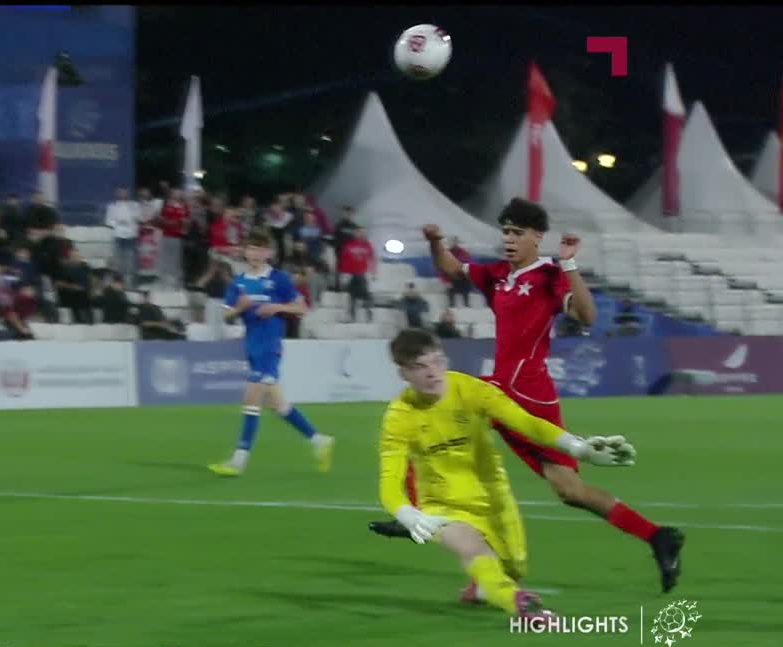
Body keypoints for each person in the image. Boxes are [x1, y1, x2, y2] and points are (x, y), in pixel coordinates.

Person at [373, 197, 684, 594]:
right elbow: (450, 268)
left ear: (537, 237)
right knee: (569, 490)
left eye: (517, 232)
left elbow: (587, 316)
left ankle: (427, 519)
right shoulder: (497, 274)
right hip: (503, 386)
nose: (508, 239)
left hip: (528, 392)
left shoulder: (549, 275)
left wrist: (569, 264)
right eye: (505, 231)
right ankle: (657, 536)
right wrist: (436, 242)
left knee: (436, 421)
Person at [378, 329, 637, 617]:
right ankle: (523, 606)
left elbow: (526, 422)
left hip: (492, 495)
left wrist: (578, 448)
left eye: (437, 361)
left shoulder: (471, 390)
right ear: (403, 373)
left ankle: (482, 588)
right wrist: (407, 514)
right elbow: (389, 482)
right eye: (419, 367)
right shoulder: (399, 417)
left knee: (514, 568)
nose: (432, 372)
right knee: (474, 550)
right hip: (442, 504)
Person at [208, 229, 334, 477]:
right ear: (245, 252)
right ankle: (319, 440)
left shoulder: (279, 279)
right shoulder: (238, 283)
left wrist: (276, 307)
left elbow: (302, 309)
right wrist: (239, 308)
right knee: (278, 405)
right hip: (252, 347)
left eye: (260, 249)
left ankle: (238, 461)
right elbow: (225, 314)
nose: (255, 253)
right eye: (251, 248)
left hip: (270, 347)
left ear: (268, 253)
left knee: (251, 399)